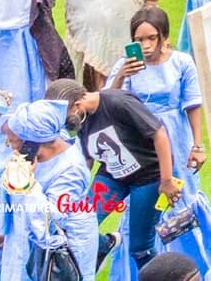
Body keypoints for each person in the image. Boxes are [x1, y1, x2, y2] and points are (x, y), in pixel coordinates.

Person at [106, 9, 211, 281]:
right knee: (142, 202)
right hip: (139, 143)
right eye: (139, 39)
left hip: (176, 137)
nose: (146, 45)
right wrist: (120, 76)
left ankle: (190, 265)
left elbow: (193, 105)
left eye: (152, 37)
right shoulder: (124, 66)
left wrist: (198, 145)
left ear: (164, 36)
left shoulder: (182, 63)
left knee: (180, 196)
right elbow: (107, 102)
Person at [61, 75, 183, 279]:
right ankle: (104, 244)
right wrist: (75, 192)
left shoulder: (118, 102)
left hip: (148, 178)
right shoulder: (81, 118)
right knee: (77, 222)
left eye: (63, 117)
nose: (65, 124)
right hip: (112, 176)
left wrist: (167, 180)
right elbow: (88, 157)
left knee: (140, 248)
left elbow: (159, 133)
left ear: (76, 105)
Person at [0, 96, 99, 281]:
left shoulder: (72, 170)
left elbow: (50, 221)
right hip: (31, 245)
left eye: (13, 141)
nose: (10, 146)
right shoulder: (39, 150)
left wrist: (28, 184)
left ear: (31, 144)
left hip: (65, 251)